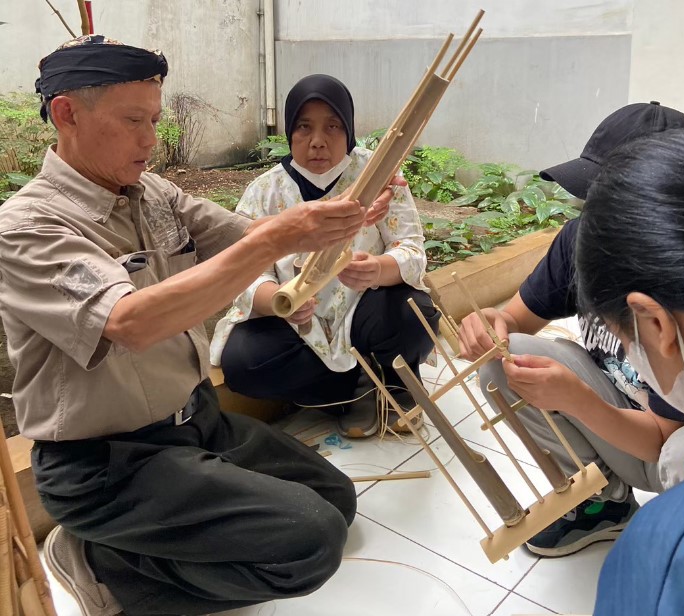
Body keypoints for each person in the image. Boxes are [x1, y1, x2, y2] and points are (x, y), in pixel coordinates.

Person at [1, 36, 400, 616]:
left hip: (195, 424)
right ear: (66, 113)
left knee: (334, 498)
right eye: (134, 120)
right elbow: (130, 322)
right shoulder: (27, 228)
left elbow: (246, 237)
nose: (151, 139)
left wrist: (341, 221)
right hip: (107, 463)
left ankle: (151, 534)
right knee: (310, 545)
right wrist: (281, 234)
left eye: (155, 120)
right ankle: (102, 565)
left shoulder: (151, 193)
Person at [457, 102, 684, 557]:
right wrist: (491, 324)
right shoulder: (583, 238)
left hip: (672, 447)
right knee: (506, 360)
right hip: (619, 406)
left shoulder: (683, 285)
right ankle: (602, 503)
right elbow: (514, 320)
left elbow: (666, 443)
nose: (594, 214)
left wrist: (577, 400)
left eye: (611, 203)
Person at [211, 74, 440, 439]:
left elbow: (411, 248)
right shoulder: (264, 191)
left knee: (415, 314)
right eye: (304, 128)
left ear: (348, 129)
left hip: (365, 310)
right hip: (299, 325)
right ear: (289, 132)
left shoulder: (378, 173)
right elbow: (246, 267)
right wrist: (278, 302)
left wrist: (378, 270)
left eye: (332, 126)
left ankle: (390, 381)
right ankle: (357, 388)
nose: (318, 142)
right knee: (244, 363)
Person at [572, 130, 684, 615]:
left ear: (656, 323)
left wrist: (576, 399)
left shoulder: (677, 548)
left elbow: (661, 441)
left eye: (626, 336)